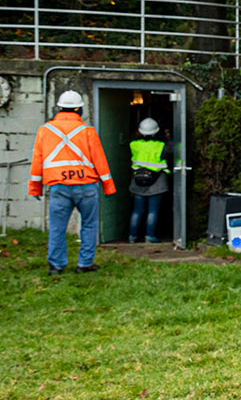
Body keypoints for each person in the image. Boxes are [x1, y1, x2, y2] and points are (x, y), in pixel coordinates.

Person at [27, 89, 115, 275]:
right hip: (87, 186)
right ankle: (84, 264)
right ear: (79, 110)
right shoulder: (88, 131)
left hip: (59, 186)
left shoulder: (44, 131)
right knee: (89, 225)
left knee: (58, 228)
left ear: (59, 108)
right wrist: (108, 186)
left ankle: (56, 266)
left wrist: (35, 188)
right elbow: (100, 160)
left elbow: (38, 160)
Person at [128, 116, 171, 243]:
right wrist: (168, 135)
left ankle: (132, 236)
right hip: (157, 183)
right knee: (153, 211)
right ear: (156, 132)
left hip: (138, 181)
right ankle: (150, 236)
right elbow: (171, 149)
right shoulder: (160, 146)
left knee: (137, 211)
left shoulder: (134, 145)